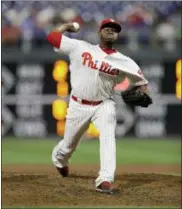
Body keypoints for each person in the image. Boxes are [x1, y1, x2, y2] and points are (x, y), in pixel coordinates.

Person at [47, 19, 152, 195]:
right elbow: (52, 37)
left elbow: (142, 83)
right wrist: (66, 26)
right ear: (99, 32)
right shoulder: (81, 47)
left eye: (114, 29)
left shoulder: (125, 61)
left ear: (118, 35)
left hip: (104, 104)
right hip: (78, 105)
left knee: (108, 138)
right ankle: (60, 161)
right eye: (107, 28)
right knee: (67, 147)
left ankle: (105, 179)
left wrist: (142, 90)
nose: (111, 31)